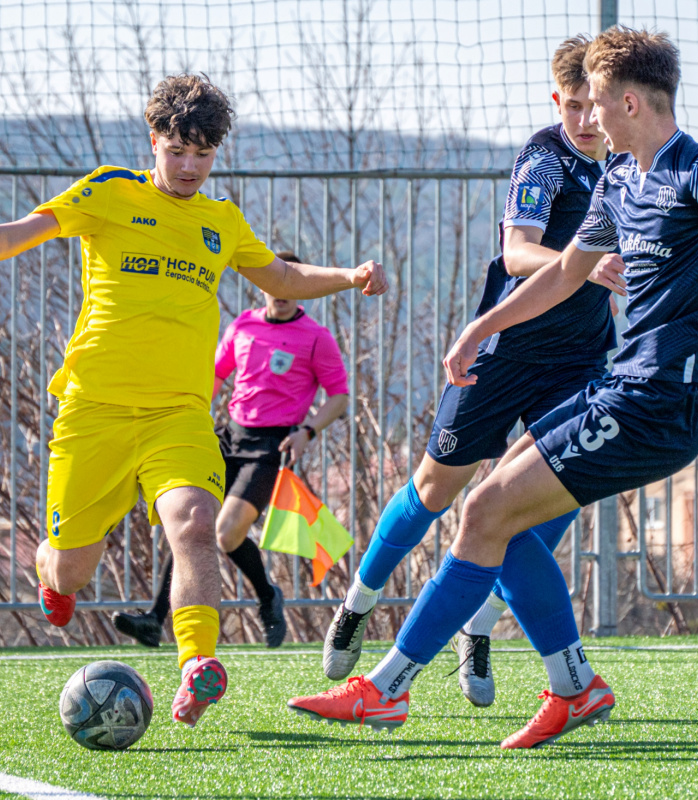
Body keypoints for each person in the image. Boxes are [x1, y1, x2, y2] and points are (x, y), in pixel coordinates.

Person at [289, 26, 698, 748]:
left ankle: (386, 690)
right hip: (619, 388)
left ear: (626, 102)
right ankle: (570, 685)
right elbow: (561, 273)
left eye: (596, 103)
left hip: (661, 404)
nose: (587, 118)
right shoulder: (620, 181)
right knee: (489, 517)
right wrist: (477, 330)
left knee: (490, 509)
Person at [5, 74, 386, 728]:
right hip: (93, 412)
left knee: (193, 525)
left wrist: (350, 276)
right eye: (177, 150)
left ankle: (196, 665)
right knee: (71, 568)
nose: (188, 167)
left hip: (176, 417)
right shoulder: (110, 191)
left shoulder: (220, 219)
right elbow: (26, 231)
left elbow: (283, 277)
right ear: (154, 141)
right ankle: (53, 576)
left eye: (202, 154)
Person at [323, 35, 617, 710]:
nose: (583, 121)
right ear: (557, 101)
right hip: (505, 354)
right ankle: (359, 602)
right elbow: (516, 253)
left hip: (578, 364)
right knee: (431, 490)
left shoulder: (631, 164)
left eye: (592, 107)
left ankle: (477, 629)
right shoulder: (545, 160)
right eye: (570, 106)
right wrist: (581, 262)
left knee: (540, 503)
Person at [112, 250, 349, 650]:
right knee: (189, 521)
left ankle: (267, 596)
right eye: (277, 282)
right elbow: (214, 375)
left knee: (225, 532)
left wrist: (309, 430)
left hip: (271, 446)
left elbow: (339, 396)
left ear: (301, 290)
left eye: (293, 284)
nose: (283, 292)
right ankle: (154, 619)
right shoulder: (242, 326)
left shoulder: (316, 338)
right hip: (227, 436)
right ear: (264, 286)